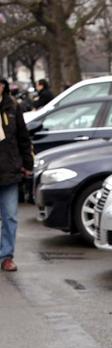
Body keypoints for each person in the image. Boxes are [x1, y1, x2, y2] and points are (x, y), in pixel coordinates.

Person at [0, 78, 34, 272]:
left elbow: (23, 137)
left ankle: (6, 256)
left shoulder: (13, 107)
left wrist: (27, 164)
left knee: (10, 216)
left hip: (9, 171)